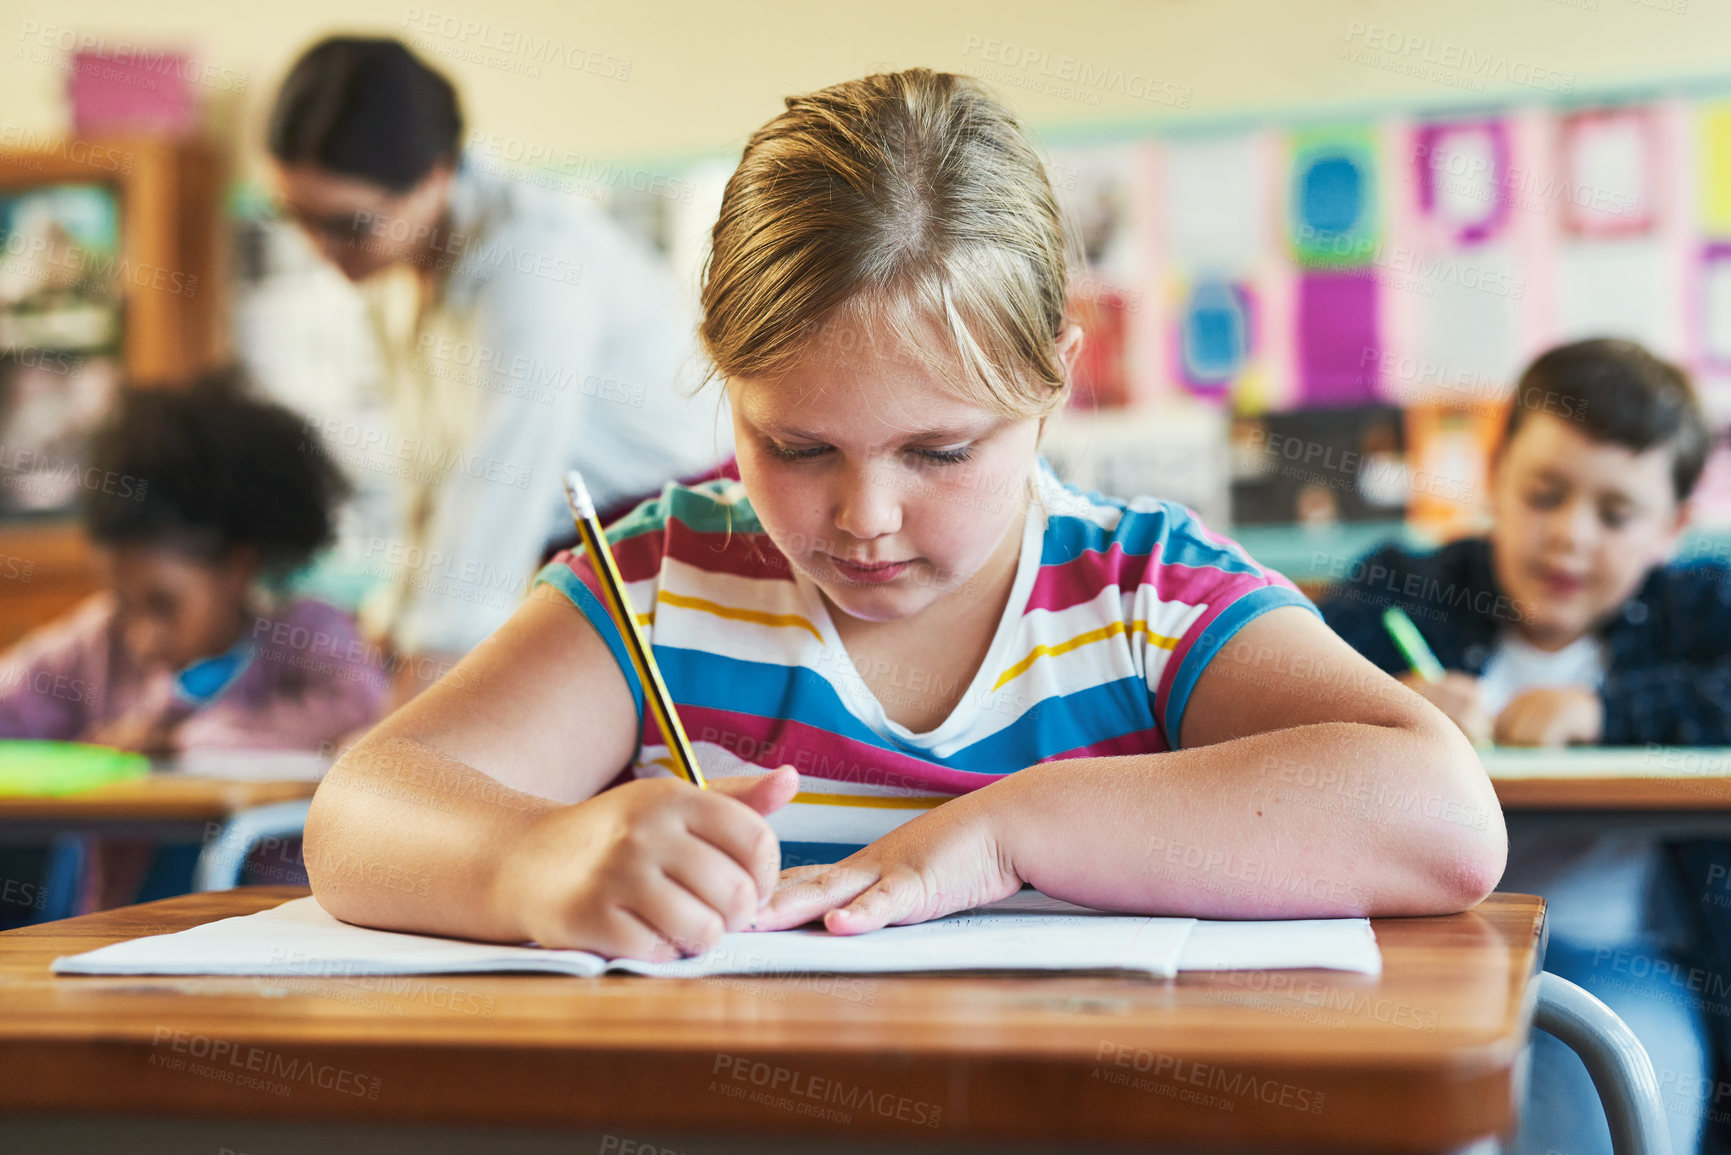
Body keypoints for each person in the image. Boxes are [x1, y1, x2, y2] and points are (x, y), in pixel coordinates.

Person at [303, 69, 1503, 964]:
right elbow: (362, 816)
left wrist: (1008, 832)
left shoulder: (1145, 594)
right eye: (795, 446)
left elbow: (1443, 821)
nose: (864, 517)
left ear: (1052, 381)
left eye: (939, 450)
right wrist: (534, 862)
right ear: (727, 383)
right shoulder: (666, 579)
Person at [1318, 338, 1730, 1155]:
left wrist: (1601, 711)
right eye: (1544, 493)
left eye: (1615, 514)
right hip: (1423, 951)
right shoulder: (1403, 586)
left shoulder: (1699, 610)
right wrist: (1385, 706)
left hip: (1625, 960)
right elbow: (1287, 684)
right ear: (1493, 474)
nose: (1570, 536)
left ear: (1673, 525)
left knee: (1625, 1109)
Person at [267, 37, 729, 705]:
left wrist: (426, 669)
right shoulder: (399, 271)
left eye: (347, 224)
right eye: (299, 219)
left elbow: (501, 475)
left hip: (675, 556)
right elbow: (430, 475)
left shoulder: (532, 261)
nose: (322, 249)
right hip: (570, 560)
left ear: (435, 174)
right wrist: (395, 616)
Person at [0, 371, 387, 914]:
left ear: (238, 568)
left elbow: (364, 717)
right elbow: (11, 702)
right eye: (122, 599)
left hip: (270, 928)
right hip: (119, 931)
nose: (140, 635)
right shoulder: (101, 638)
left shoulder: (307, 637)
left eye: (163, 605)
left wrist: (182, 739)